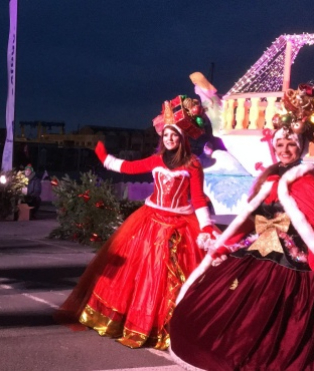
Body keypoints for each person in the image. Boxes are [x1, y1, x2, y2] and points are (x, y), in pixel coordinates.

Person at [170, 84, 314, 370]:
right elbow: (249, 221)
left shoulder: (309, 183)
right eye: (280, 145)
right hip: (256, 254)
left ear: (301, 146)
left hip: (292, 266)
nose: (284, 150)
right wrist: (223, 244)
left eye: (290, 145)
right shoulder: (267, 180)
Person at [54, 95, 215, 349]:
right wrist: (104, 157)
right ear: (162, 138)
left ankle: (170, 328)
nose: (170, 139)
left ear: (182, 138)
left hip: (180, 225)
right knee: (141, 277)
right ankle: (137, 323)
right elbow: (129, 167)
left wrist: (205, 227)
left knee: (172, 280)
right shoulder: (157, 160)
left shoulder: (193, 164)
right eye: (166, 135)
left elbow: (197, 198)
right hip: (150, 221)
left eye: (174, 135)